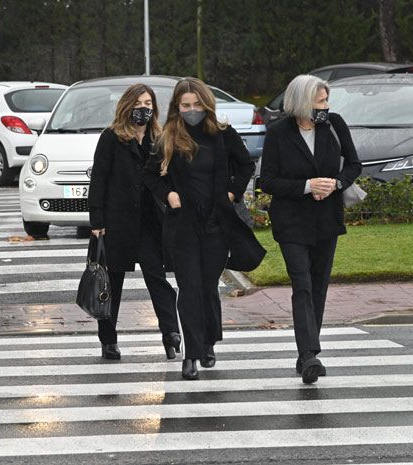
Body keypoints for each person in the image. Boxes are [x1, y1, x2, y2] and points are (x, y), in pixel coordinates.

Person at [143, 77, 264, 380]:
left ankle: (208, 342)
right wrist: (169, 195)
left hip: (215, 223)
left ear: (206, 104)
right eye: (186, 105)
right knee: (189, 287)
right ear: (177, 107)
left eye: (197, 104)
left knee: (207, 286)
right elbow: (150, 175)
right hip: (182, 224)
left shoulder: (221, 134)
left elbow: (246, 165)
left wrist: (232, 192)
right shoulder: (168, 135)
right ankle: (191, 355)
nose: (192, 110)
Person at [259, 74, 361, 384]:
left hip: (327, 219)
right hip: (291, 221)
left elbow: (354, 165)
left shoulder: (334, 125)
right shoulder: (278, 133)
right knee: (301, 284)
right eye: (320, 101)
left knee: (318, 286)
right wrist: (306, 186)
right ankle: (308, 355)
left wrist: (336, 183)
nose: (325, 107)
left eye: (326, 101)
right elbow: (268, 181)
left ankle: (308, 352)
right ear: (302, 102)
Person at [88, 83, 180, 360]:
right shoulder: (111, 138)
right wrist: (97, 220)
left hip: (150, 224)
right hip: (117, 224)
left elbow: (168, 178)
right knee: (110, 283)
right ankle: (108, 340)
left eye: (149, 103)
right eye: (139, 103)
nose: (144, 108)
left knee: (158, 279)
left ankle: (171, 334)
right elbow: (99, 180)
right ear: (128, 106)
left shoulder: (159, 138)